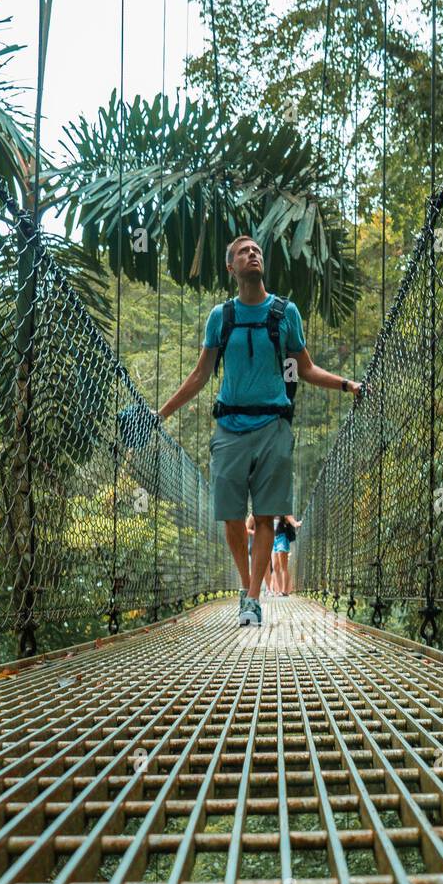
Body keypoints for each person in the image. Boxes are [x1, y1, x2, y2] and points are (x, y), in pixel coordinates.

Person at [158, 235, 361, 627]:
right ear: (231, 268)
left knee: (265, 516)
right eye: (243, 252)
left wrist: (346, 384)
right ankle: (248, 584)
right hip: (229, 426)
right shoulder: (222, 316)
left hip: (274, 425)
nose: (253, 254)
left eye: (257, 251)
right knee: (231, 516)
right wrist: (162, 413)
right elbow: (201, 374)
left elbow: (305, 368)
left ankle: (251, 599)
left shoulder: (286, 313)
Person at [272, 513, 301, 596]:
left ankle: (284, 591)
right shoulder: (271, 512)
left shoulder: (284, 512)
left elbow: (293, 522)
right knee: (275, 567)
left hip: (282, 539)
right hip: (274, 539)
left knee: (283, 566)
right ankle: (279, 590)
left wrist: (297, 523)